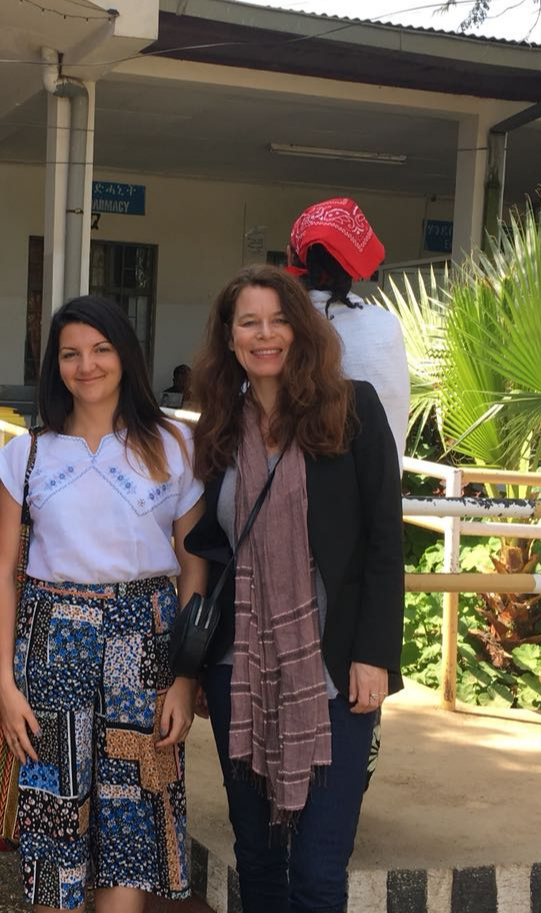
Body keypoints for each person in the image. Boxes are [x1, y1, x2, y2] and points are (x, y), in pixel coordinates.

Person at [186, 266, 404, 913]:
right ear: (229, 338)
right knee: (257, 859)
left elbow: (385, 544)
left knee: (316, 869)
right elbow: (204, 547)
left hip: (334, 671)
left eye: (278, 319)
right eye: (248, 322)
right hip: (239, 672)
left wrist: (376, 653)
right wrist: (191, 666)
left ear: (302, 329)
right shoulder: (218, 429)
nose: (265, 334)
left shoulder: (353, 408)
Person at [0, 295, 207, 913]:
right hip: (52, 638)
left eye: (101, 349)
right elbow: (4, 573)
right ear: (54, 365)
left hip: (146, 640)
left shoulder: (176, 445)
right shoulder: (25, 456)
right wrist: (5, 682)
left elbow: (195, 565)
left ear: (126, 356)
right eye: (70, 354)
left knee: (133, 815)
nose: (86, 365)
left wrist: (185, 678)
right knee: (54, 815)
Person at [286, 197, 409, 465]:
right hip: (382, 496)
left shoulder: (281, 326)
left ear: (292, 256)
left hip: (297, 498)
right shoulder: (387, 327)